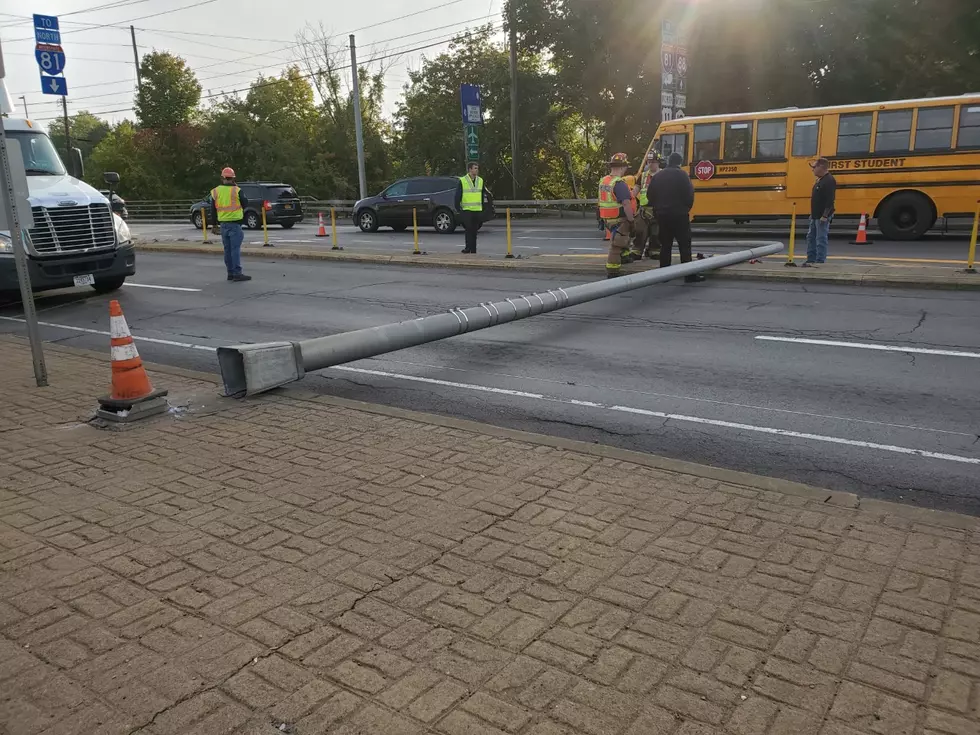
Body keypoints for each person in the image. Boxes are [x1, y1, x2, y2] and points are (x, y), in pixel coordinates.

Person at [648, 152, 703, 283]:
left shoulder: (658, 176)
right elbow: (690, 195)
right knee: (684, 246)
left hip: (662, 216)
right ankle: (689, 275)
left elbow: (650, 195)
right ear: (679, 163)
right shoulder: (683, 175)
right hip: (680, 215)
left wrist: (657, 209)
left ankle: (664, 275)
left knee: (665, 246)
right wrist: (685, 209)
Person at [209, 167, 252, 282]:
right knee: (235, 249)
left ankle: (230, 273)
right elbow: (246, 203)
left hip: (223, 225)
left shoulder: (215, 191)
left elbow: (212, 210)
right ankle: (237, 273)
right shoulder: (237, 190)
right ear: (233, 178)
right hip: (235, 224)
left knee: (227, 250)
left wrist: (214, 225)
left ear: (222, 178)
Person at [597, 152, 635, 278]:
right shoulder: (619, 183)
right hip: (618, 219)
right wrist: (631, 220)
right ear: (623, 167)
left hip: (607, 219)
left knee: (621, 238)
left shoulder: (604, 180)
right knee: (617, 245)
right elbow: (626, 204)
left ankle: (624, 257)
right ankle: (612, 270)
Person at [804, 157, 836, 267]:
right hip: (815, 215)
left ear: (821, 167)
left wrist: (825, 215)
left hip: (822, 216)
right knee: (811, 237)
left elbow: (830, 200)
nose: (812, 170)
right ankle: (811, 259)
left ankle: (819, 261)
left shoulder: (829, 180)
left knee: (820, 238)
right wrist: (812, 214)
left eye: (814, 167)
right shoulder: (820, 180)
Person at [633, 152, 662, 259]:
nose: (650, 164)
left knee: (656, 232)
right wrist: (631, 198)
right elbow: (636, 189)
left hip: (658, 208)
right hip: (644, 209)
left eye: (653, 162)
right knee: (640, 231)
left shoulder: (663, 175)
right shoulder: (643, 175)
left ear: (658, 162)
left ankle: (654, 251)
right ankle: (637, 251)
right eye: (649, 162)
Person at [455, 162, 486, 254]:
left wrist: (483, 207)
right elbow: (458, 195)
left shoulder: (480, 180)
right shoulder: (463, 180)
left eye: (477, 168)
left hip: (477, 209)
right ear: (470, 169)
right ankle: (468, 248)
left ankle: (473, 249)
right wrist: (458, 208)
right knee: (468, 229)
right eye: (475, 168)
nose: (477, 170)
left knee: (474, 230)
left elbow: (482, 194)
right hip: (467, 209)